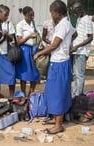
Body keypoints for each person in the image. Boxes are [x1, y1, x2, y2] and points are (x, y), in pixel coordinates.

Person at [33, 0, 76, 134]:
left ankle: (58, 125)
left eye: (52, 12)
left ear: (58, 13)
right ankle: (56, 118)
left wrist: (39, 53)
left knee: (58, 93)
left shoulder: (63, 25)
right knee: (53, 91)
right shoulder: (66, 24)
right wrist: (68, 44)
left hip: (59, 63)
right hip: (58, 61)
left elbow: (54, 45)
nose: (51, 15)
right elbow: (75, 34)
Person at [15, 6, 40, 97]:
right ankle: (23, 93)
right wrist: (29, 36)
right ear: (24, 15)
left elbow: (39, 34)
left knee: (35, 73)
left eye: (33, 15)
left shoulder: (34, 23)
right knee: (24, 74)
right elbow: (19, 41)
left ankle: (31, 93)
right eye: (30, 16)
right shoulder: (20, 25)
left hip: (33, 50)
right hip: (24, 50)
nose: (32, 17)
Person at [71, 2, 93, 97]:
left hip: (82, 51)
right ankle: (75, 94)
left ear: (80, 9)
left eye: (76, 12)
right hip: (76, 51)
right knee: (75, 75)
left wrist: (77, 46)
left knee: (79, 76)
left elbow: (90, 37)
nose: (75, 14)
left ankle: (78, 98)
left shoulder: (87, 20)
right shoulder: (79, 19)